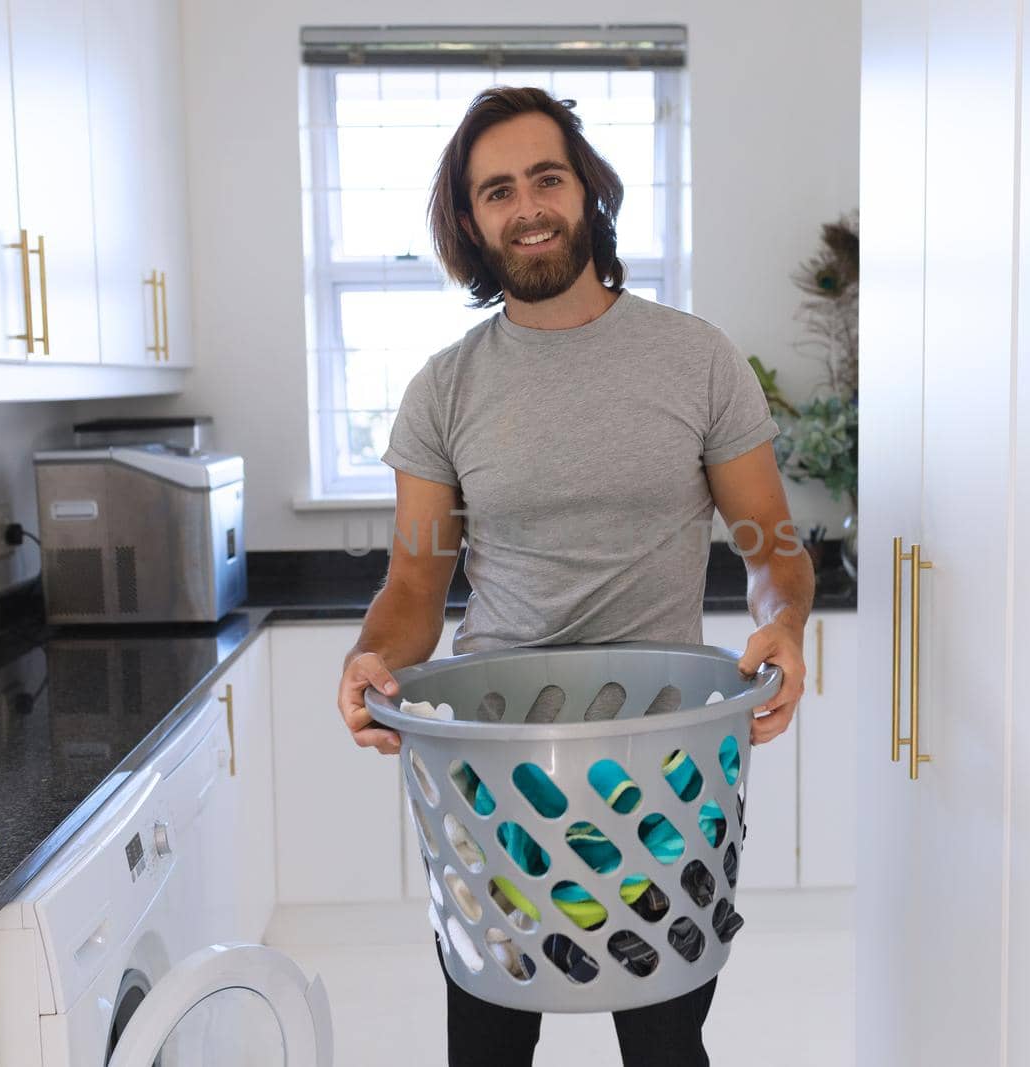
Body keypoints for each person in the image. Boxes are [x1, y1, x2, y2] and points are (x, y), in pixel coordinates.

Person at [336, 85, 813, 1067]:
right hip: (497, 782)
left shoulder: (696, 359)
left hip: (665, 776)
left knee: (666, 1040)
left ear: (588, 189)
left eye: (546, 177)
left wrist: (783, 621)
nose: (527, 206)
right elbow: (418, 584)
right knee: (489, 1043)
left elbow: (771, 545)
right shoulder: (445, 388)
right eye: (497, 190)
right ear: (472, 221)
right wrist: (371, 655)